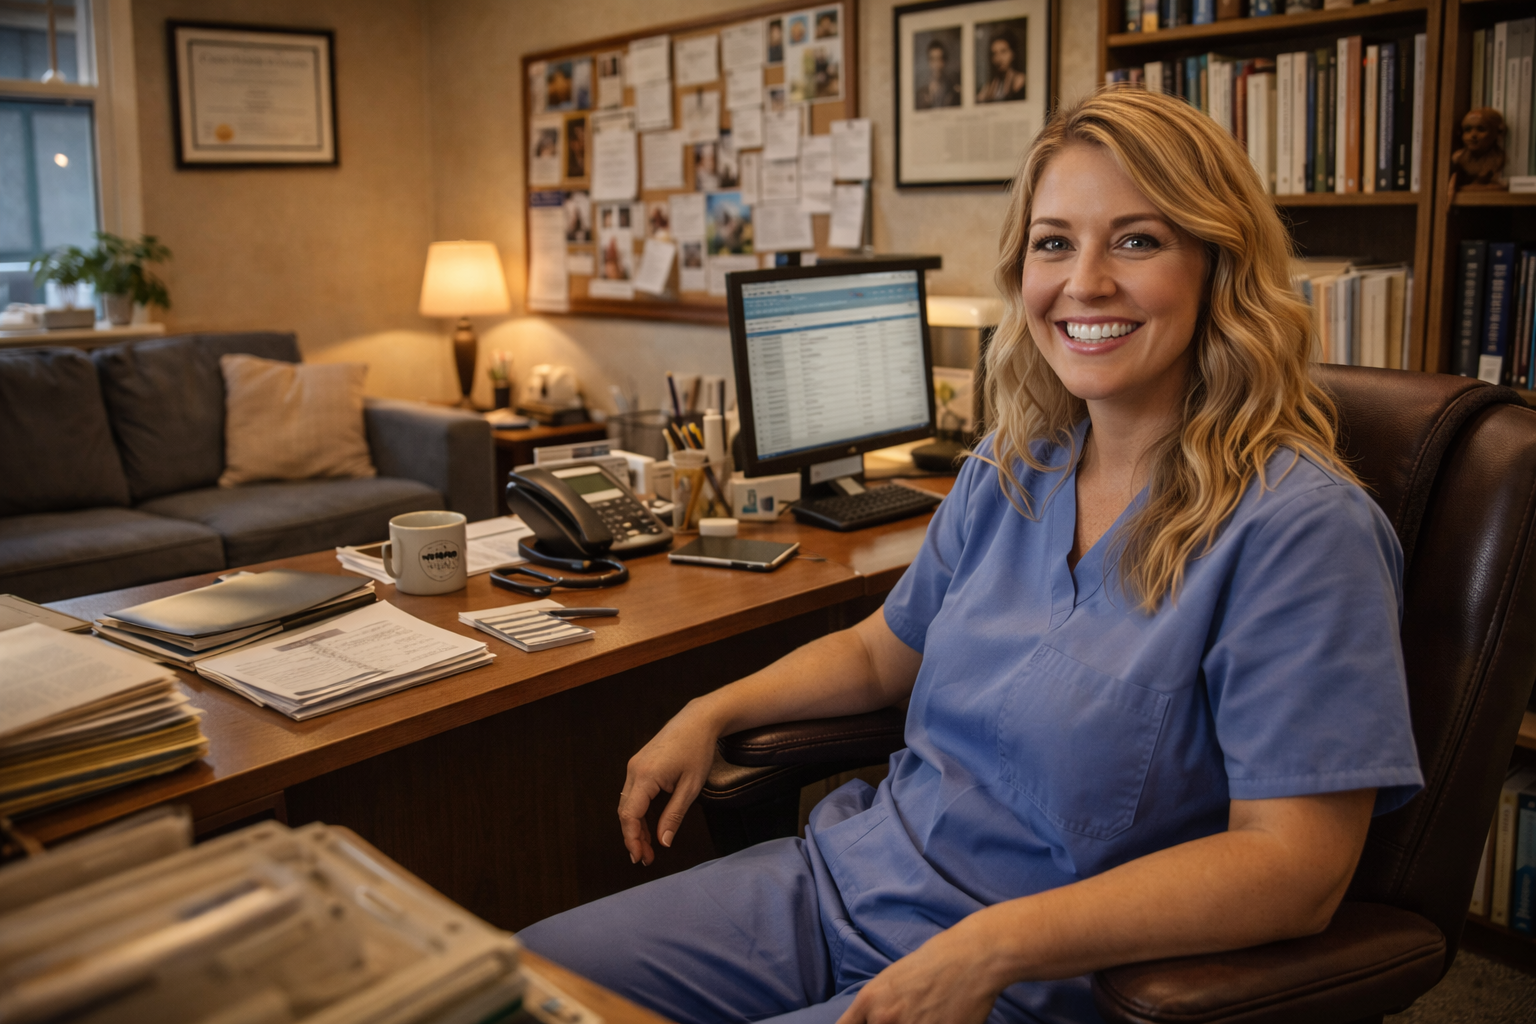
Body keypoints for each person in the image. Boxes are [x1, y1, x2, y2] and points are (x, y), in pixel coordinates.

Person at [520, 88, 1422, 1024]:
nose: (1085, 282)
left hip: (1030, 978)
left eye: (1139, 240)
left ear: (1218, 265)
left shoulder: (1301, 530)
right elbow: (881, 651)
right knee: (518, 983)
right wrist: (712, 709)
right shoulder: (1016, 461)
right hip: (849, 881)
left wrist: (997, 944)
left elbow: (1294, 869)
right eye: (1054, 241)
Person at [1449, 107, 1506, 191]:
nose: (1473, 135)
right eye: (1467, 129)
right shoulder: (1458, 157)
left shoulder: (1499, 158)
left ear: (1497, 132)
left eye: (1481, 129)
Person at [977, 29, 1027, 103]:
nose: (998, 59)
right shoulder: (991, 85)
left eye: (1003, 51)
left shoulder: (1020, 80)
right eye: (994, 53)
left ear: (1013, 53)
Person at [916, 38, 960, 110]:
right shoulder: (921, 93)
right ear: (929, 62)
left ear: (945, 62)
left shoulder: (953, 91)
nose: (936, 65)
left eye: (939, 59)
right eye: (933, 59)